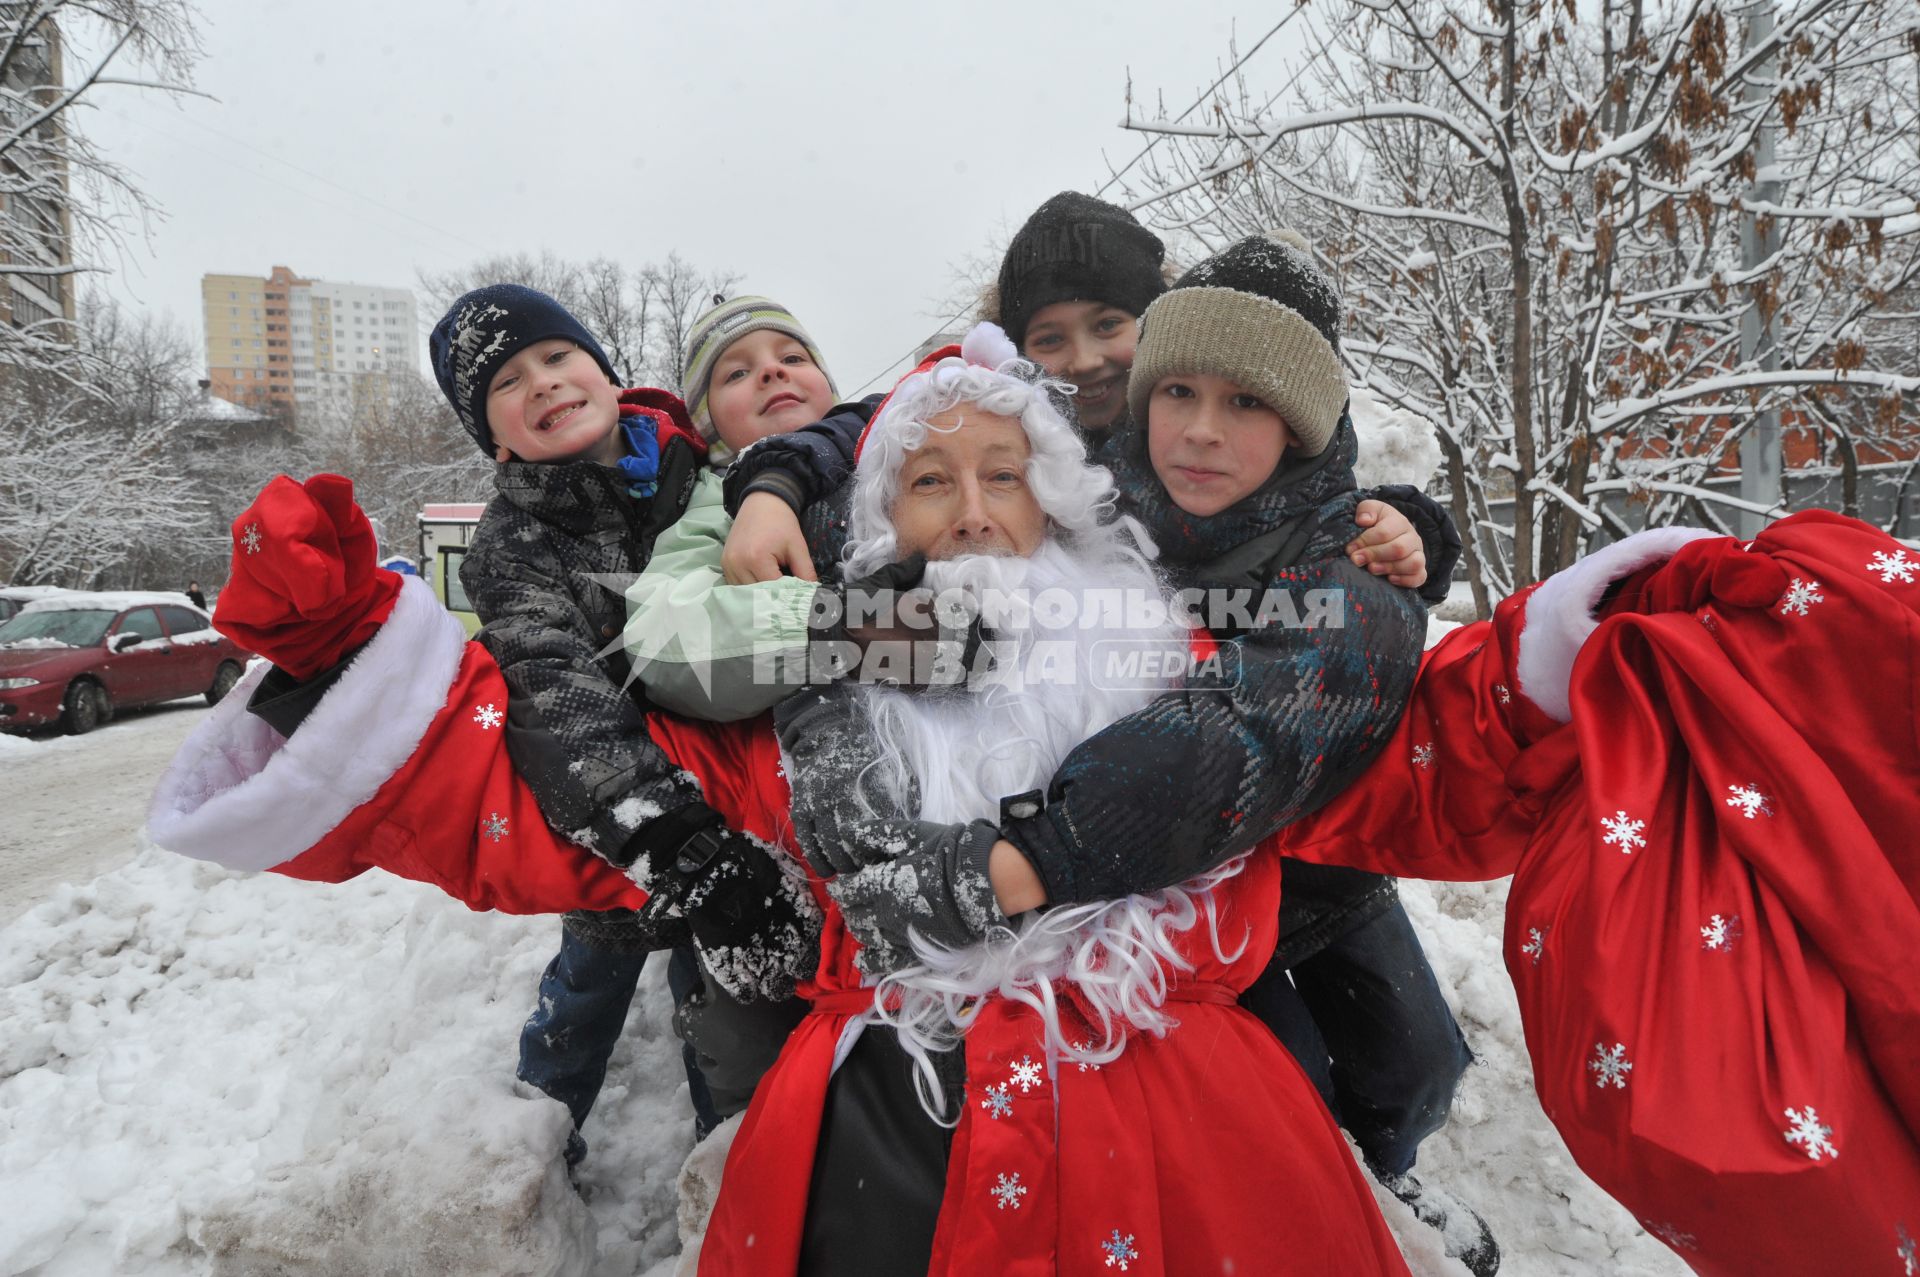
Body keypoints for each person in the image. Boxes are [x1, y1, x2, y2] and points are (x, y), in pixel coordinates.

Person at [422, 285, 817, 1162]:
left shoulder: (704, 468)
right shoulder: (515, 544)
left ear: (601, 368)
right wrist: (677, 845)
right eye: (508, 382)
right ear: (493, 435)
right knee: (584, 994)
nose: (546, 384)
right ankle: (533, 1152)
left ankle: (731, 1167)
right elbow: (554, 696)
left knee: (717, 1005)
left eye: (558, 357)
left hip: (739, 803)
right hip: (625, 832)